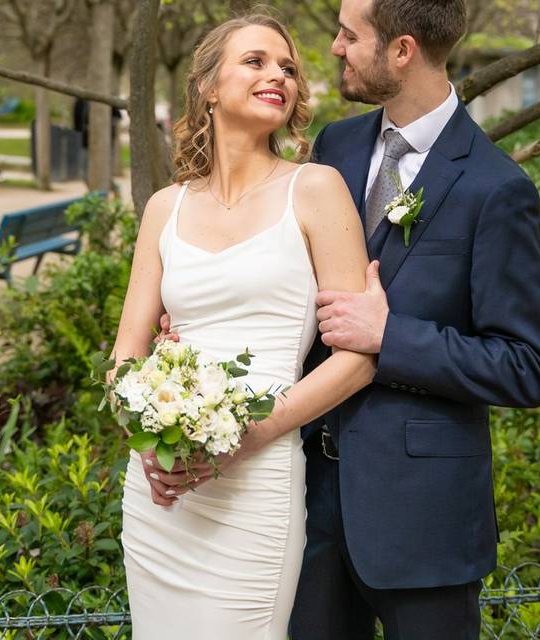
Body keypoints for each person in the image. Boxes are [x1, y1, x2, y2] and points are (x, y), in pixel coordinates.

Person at [288, 0, 540, 637]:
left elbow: (527, 368)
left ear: (401, 51)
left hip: (424, 522)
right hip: (311, 507)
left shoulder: (496, 188)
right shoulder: (336, 146)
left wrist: (390, 337)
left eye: (350, 36)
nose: (334, 48)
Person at [112, 14, 378, 639]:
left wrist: (249, 435)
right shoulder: (165, 208)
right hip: (161, 491)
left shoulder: (315, 189)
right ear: (207, 86)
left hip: (256, 480)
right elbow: (125, 355)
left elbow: (358, 357)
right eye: (255, 61)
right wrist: (152, 442)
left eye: (287, 68)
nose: (278, 76)